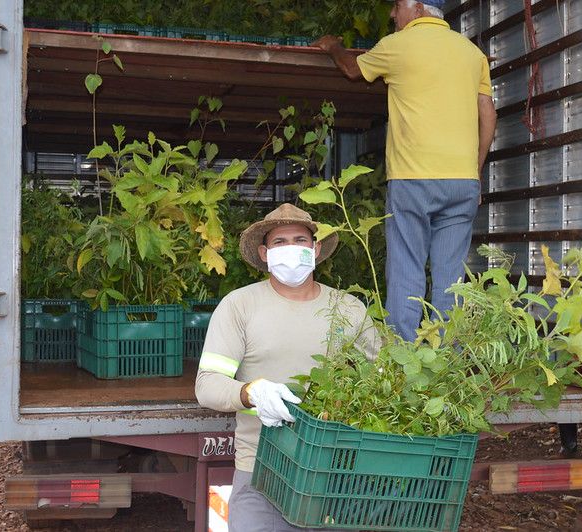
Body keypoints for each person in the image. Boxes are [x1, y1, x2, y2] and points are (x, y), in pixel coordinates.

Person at [314, 0, 497, 341]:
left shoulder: (398, 46)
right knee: (451, 278)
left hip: (413, 179)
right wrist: (475, 169)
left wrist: (333, 46)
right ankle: (447, 363)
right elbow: (488, 113)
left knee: (406, 270)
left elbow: (353, 70)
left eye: (397, 7)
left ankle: (403, 361)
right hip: (462, 181)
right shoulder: (472, 54)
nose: (392, 15)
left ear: (417, 8)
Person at [195, 203, 379, 532]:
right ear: (264, 253)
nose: (291, 248)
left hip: (333, 472)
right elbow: (207, 385)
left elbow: (385, 379)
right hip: (261, 471)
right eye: (280, 242)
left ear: (316, 248)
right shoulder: (240, 305)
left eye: (300, 240)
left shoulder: (348, 308)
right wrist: (251, 392)